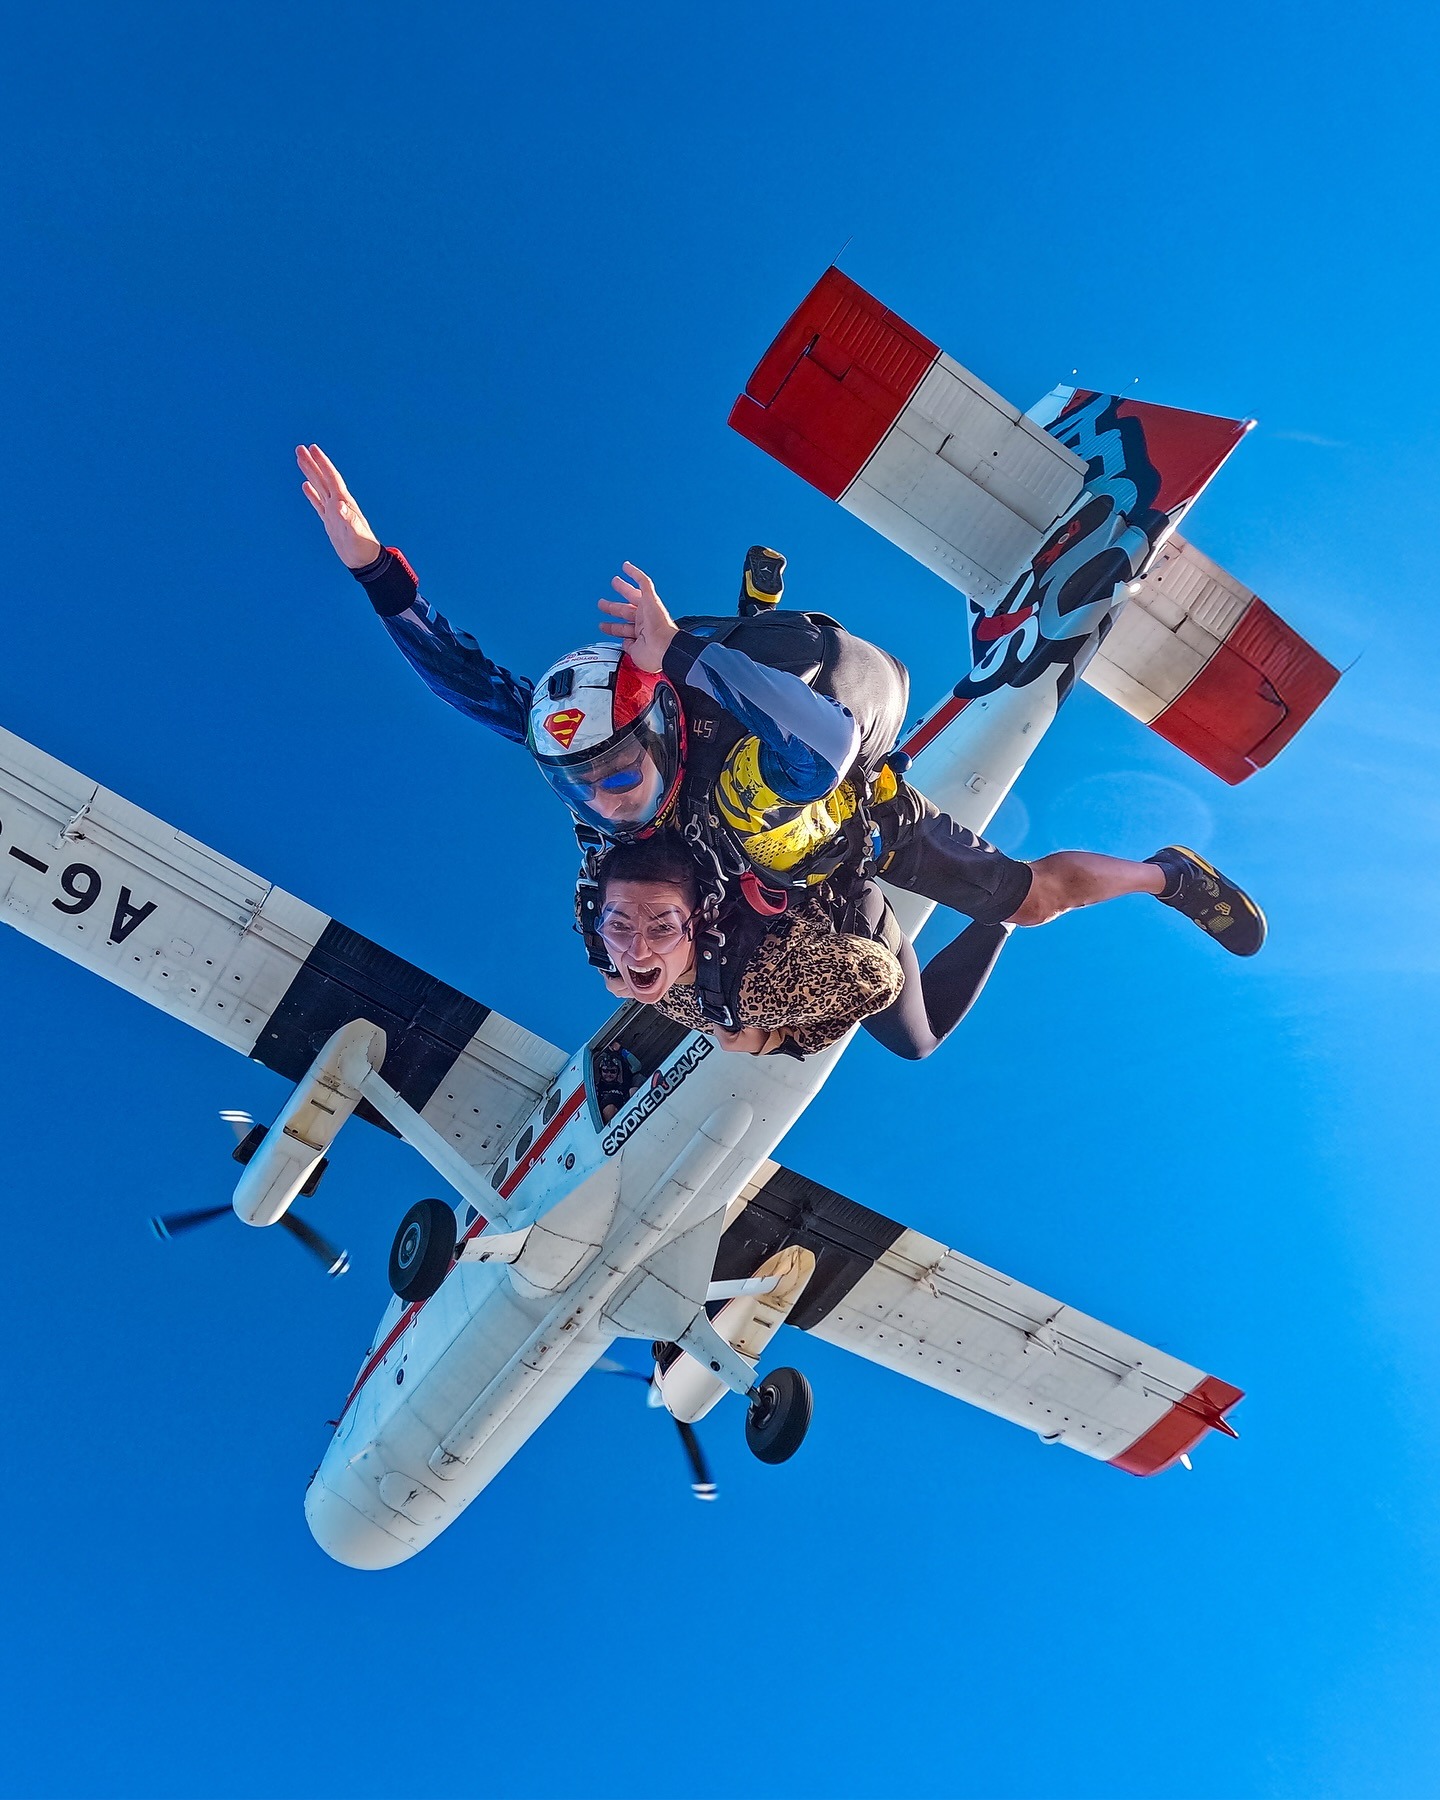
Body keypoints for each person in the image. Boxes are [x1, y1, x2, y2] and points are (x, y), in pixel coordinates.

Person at [297, 445, 1267, 1033]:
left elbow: (828, 745)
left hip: (831, 737)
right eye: (588, 786)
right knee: (950, 989)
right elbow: (469, 683)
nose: (611, 796)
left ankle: (1168, 877)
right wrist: (373, 565)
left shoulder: (714, 751)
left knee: (1007, 886)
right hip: (813, 840)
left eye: (621, 769)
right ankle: (1161, 870)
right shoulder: (594, 762)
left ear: (657, 720)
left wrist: (679, 652)